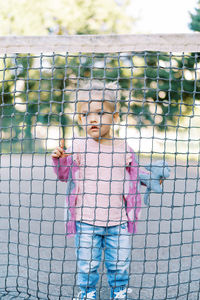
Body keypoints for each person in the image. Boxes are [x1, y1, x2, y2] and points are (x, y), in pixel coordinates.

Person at [52, 81, 145, 300]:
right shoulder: (77, 146)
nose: (93, 118)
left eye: (101, 112)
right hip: (85, 220)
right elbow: (64, 175)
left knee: (119, 262)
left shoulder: (124, 148)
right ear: (80, 119)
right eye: (86, 115)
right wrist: (59, 160)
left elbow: (136, 174)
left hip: (118, 220)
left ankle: (119, 291)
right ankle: (87, 293)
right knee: (87, 263)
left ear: (115, 117)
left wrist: (153, 178)